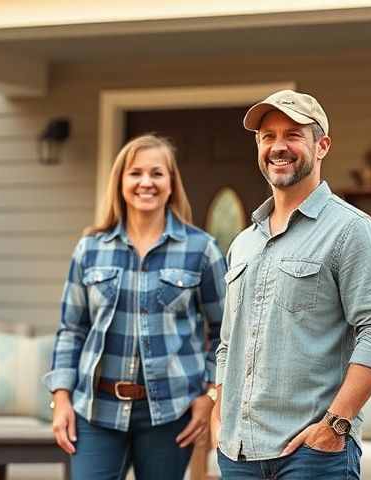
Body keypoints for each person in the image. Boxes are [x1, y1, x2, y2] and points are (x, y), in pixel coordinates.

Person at [211, 90, 371, 479]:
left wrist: (335, 426)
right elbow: (229, 342)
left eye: (293, 135)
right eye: (268, 137)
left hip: (312, 457)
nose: (278, 147)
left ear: (322, 146)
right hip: (238, 454)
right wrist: (220, 412)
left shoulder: (351, 231)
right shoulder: (243, 243)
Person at [44, 134, 227, 480]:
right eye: (136, 173)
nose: (146, 182)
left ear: (171, 183)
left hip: (171, 412)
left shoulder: (201, 250)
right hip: (96, 409)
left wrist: (210, 396)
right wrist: (61, 398)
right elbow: (71, 330)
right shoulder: (90, 249)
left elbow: (226, 332)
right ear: (120, 182)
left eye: (157, 174)